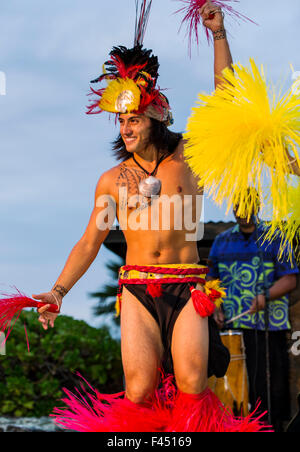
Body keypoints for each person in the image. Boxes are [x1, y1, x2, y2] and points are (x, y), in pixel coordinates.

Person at [30, 3, 268, 432]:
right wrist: (59, 290)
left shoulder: (190, 157)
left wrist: (218, 34)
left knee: (193, 382)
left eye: (133, 118)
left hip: (188, 283)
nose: (124, 127)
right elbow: (90, 242)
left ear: (156, 116)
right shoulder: (110, 180)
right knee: (138, 391)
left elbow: (226, 102)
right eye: (120, 120)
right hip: (137, 286)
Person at [207, 189, 299, 432]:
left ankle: (274, 427)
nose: (244, 211)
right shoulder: (221, 242)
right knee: (241, 384)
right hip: (234, 328)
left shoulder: (275, 237)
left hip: (270, 325)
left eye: (249, 205)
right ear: (233, 208)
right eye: (239, 206)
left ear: (257, 206)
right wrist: (216, 307)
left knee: (272, 385)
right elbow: (211, 281)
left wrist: (265, 295)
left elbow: (290, 280)